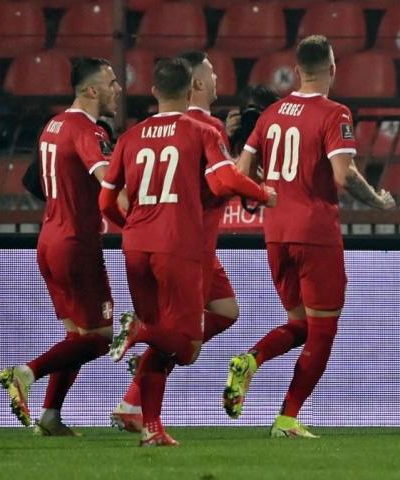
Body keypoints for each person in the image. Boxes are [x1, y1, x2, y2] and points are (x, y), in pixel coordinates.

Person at [223, 35, 395, 438]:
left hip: (276, 234)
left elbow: (240, 173)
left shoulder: (272, 114)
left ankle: (251, 360)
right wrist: (377, 203)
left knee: (299, 324)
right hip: (315, 234)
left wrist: (271, 192)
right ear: (333, 69)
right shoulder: (335, 114)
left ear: (297, 70)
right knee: (323, 331)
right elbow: (342, 175)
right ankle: (287, 418)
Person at [99, 58, 276, 446]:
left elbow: (107, 200)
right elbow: (224, 180)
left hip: (136, 246)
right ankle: (140, 333)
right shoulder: (199, 130)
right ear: (191, 86)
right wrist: (263, 192)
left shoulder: (131, 136)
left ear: (154, 91)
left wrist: (129, 225)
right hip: (178, 245)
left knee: (169, 338)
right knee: (186, 347)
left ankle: (150, 425)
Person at [0, 57, 122, 436]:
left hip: (49, 240)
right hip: (77, 245)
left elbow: (33, 181)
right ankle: (27, 373)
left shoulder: (52, 125)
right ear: (91, 90)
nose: (117, 88)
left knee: (77, 337)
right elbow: (106, 179)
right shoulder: (88, 130)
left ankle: (50, 416)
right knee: (100, 339)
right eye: (111, 82)